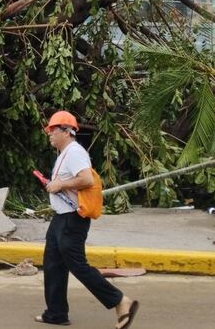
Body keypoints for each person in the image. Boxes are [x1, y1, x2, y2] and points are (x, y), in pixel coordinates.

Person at [35, 110, 139, 328]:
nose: (49, 135)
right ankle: (56, 313)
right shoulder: (64, 153)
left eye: (52, 130)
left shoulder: (74, 152)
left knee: (78, 266)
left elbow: (86, 179)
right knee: (53, 264)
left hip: (73, 219)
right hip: (61, 219)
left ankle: (121, 301)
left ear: (66, 131)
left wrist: (60, 184)